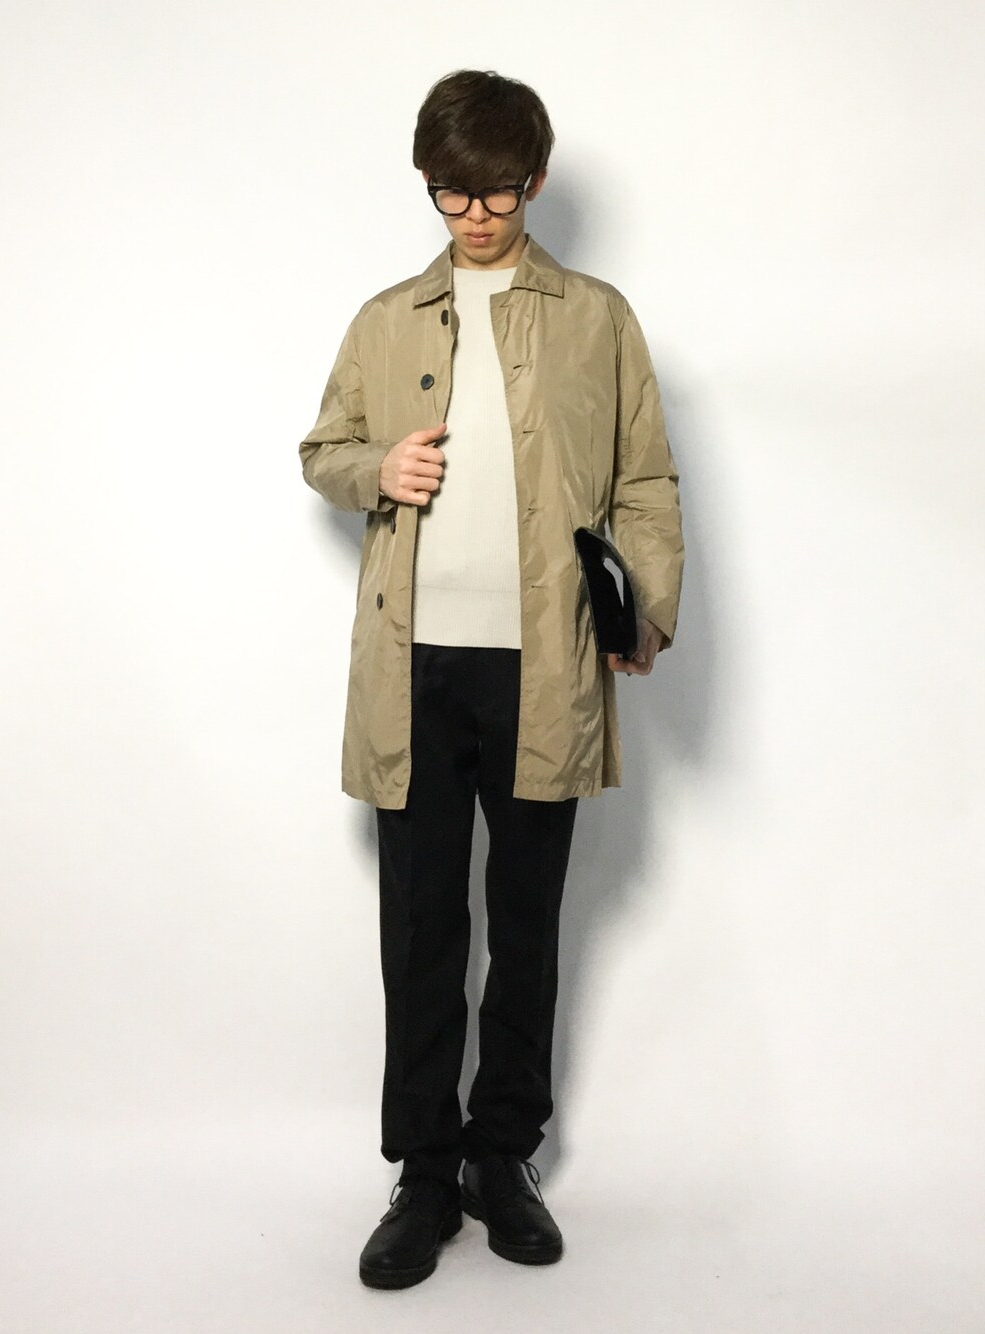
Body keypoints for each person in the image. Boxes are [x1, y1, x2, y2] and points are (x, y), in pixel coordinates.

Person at [298, 68, 684, 1290]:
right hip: (411, 665)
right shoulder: (384, 319)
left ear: (537, 178)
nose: (475, 215)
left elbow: (645, 477)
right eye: (452, 193)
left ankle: (500, 1156)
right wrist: (375, 468)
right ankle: (422, 1170)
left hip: (547, 663)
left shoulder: (597, 318)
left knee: (524, 923)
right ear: (430, 185)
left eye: (498, 191)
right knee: (422, 928)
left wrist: (645, 604)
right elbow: (322, 448)